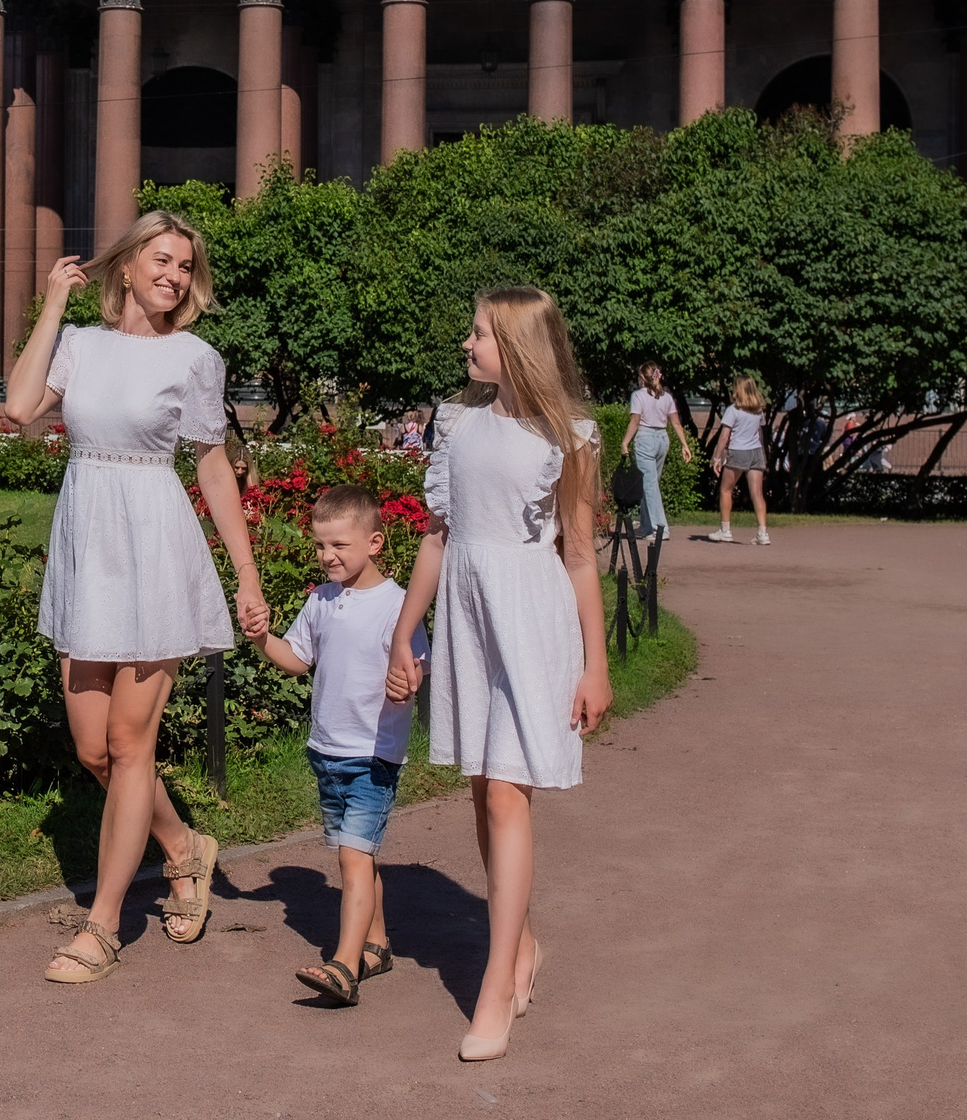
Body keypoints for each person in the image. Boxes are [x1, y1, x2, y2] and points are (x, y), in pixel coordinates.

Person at [4, 211, 266, 985]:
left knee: (129, 744)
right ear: (127, 266)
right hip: (89, 547)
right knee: (93, 748)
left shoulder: (194, 357)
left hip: (155, 544)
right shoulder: (81, 345)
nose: (175, 275)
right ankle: (183, 847)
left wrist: (245, 573)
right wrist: (53, 303)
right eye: (162, 258)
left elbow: (214, 469)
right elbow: (19, 408)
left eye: (186, 265)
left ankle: (104, 925)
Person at [385, 287, 610, 1063]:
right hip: (469, 626)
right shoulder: (458, 425)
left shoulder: (569, 436)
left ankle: (495, 984)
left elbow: (578, 554)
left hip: (531, 622)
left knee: (509, 791)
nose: (466, 343)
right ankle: (523, 944)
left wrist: (596, 664)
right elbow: (437, 539)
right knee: (483, 788)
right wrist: (404, 631)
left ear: (515, 344)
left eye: (477, 332)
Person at [242, 484, 428, 1008]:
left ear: (374, 542)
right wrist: (261, 639)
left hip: (373, 756)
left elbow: (418, 665)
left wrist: (406, 679)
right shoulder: (321, 600)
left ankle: (345, 966)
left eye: (339, 546)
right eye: (321, 546)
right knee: (360, 858)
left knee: (351, 859)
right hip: (326, 751)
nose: (327, 556)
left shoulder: (398, 606)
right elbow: (298, 658)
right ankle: (377, 944)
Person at [617, 364, 693, 543]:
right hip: (662, 439)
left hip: (646, 438)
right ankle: (645, 525)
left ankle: (660, 528)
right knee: (650, 484)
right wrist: (684, 445)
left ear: (643, 378)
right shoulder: (666, 397)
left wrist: (624, 442)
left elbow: (635, 421)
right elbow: (676, 423)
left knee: (649, 485)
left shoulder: (638, 395)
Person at [706, 377, 771, 544]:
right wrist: (763, 452)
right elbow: (760, 434)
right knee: (757, 493)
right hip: (755, 452)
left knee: (726, 490)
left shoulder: (733, 410)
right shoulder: (758, 411)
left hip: (738, 451)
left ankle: (725, 530)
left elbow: (724, 436)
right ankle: (763, 533)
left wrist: (717, 457)